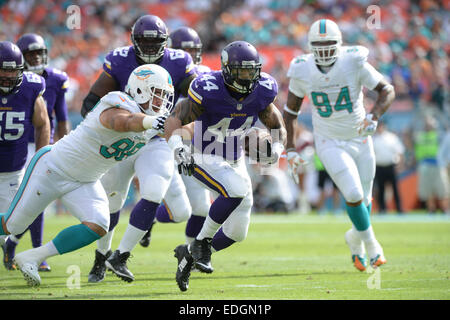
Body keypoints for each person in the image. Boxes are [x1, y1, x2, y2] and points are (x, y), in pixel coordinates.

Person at [0, 63, 174, 287]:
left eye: (165, 96)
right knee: (12, 226)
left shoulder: (150, 123)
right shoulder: (118, 101)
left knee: (99, 224)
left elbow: (179, 127)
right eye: (158, 95)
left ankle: (32, 257)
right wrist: (149, 121)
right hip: (52, 169)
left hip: (84, 181)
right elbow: (122, 122)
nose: (161, 102)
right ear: (141, 89)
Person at [81, 15, 196, 283]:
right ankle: (101, 256)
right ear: (133, 40)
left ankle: (119, 257)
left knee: (154, 193)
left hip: (156, 139)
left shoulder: (179, 62)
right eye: (143, 41)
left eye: (154, 41)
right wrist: (102, 129)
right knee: (112, 201)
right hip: (124, 138)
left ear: (165, 42)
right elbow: (91, 101)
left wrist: (180, 136)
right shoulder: (120, 60)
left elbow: (194, 103)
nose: (149, 46)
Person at [165, 40, 287, 291]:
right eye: (241, 70)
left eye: (251, 70)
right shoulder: (207, 87)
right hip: (202, 153)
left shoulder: (263, 89)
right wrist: (177, 147)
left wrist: (276, 149)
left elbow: (277, 126)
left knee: (237, 232)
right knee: (236, 189)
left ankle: (188, 255)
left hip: (233, 157)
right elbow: (176, 119)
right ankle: (200, 242)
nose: (246, 76)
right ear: (227, 69)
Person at [284, 19, 395, 272]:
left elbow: (387, 90)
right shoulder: (302, 69)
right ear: (310, 46)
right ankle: (373, 244)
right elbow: (289, 113)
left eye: (329, 45)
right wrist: (290, 148)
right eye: (318, 46)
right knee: (353, 194)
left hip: (360, 137)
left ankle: (354, 241)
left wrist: (374, 115)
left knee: (365, 199)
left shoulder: (353, 61)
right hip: (329, 141)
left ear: (340, 45)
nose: (323, 51)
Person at [1, 33, 70, 272]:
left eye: (40, 53)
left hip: (29, 155)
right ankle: (17, 247)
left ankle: (29, 250)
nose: (9, 76)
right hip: (17, 150)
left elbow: (53, 120)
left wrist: (51, 151)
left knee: (31, 205)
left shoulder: (42, 82)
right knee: (22, 210)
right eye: (31, 55)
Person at [162, 26, 213, 246]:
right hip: (166, 139)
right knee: (174, 204)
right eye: (186, 51)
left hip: (194, 143)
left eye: (194, 51)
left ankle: (192, 253)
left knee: (201, 206)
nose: (190, 57)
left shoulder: (206, 74)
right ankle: (148, 219)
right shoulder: (165, 73)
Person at [414, 117, 449, 214]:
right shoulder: (420, 136)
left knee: (442, 189)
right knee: (428, 190)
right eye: (427, 124)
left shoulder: (439, 135)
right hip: (425, 165)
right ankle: (431, 210)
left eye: (430, 124)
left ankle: (445, 209)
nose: (428, 126)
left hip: (438, 164)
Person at [372, 121, 405, 214]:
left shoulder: (391, 137)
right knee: (380, 189)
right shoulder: (373, 139)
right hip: (379, 167)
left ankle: (399, 208)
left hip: (391, 166)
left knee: (395, 189)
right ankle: (382, 209)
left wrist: (400, 165)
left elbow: (399, 151)